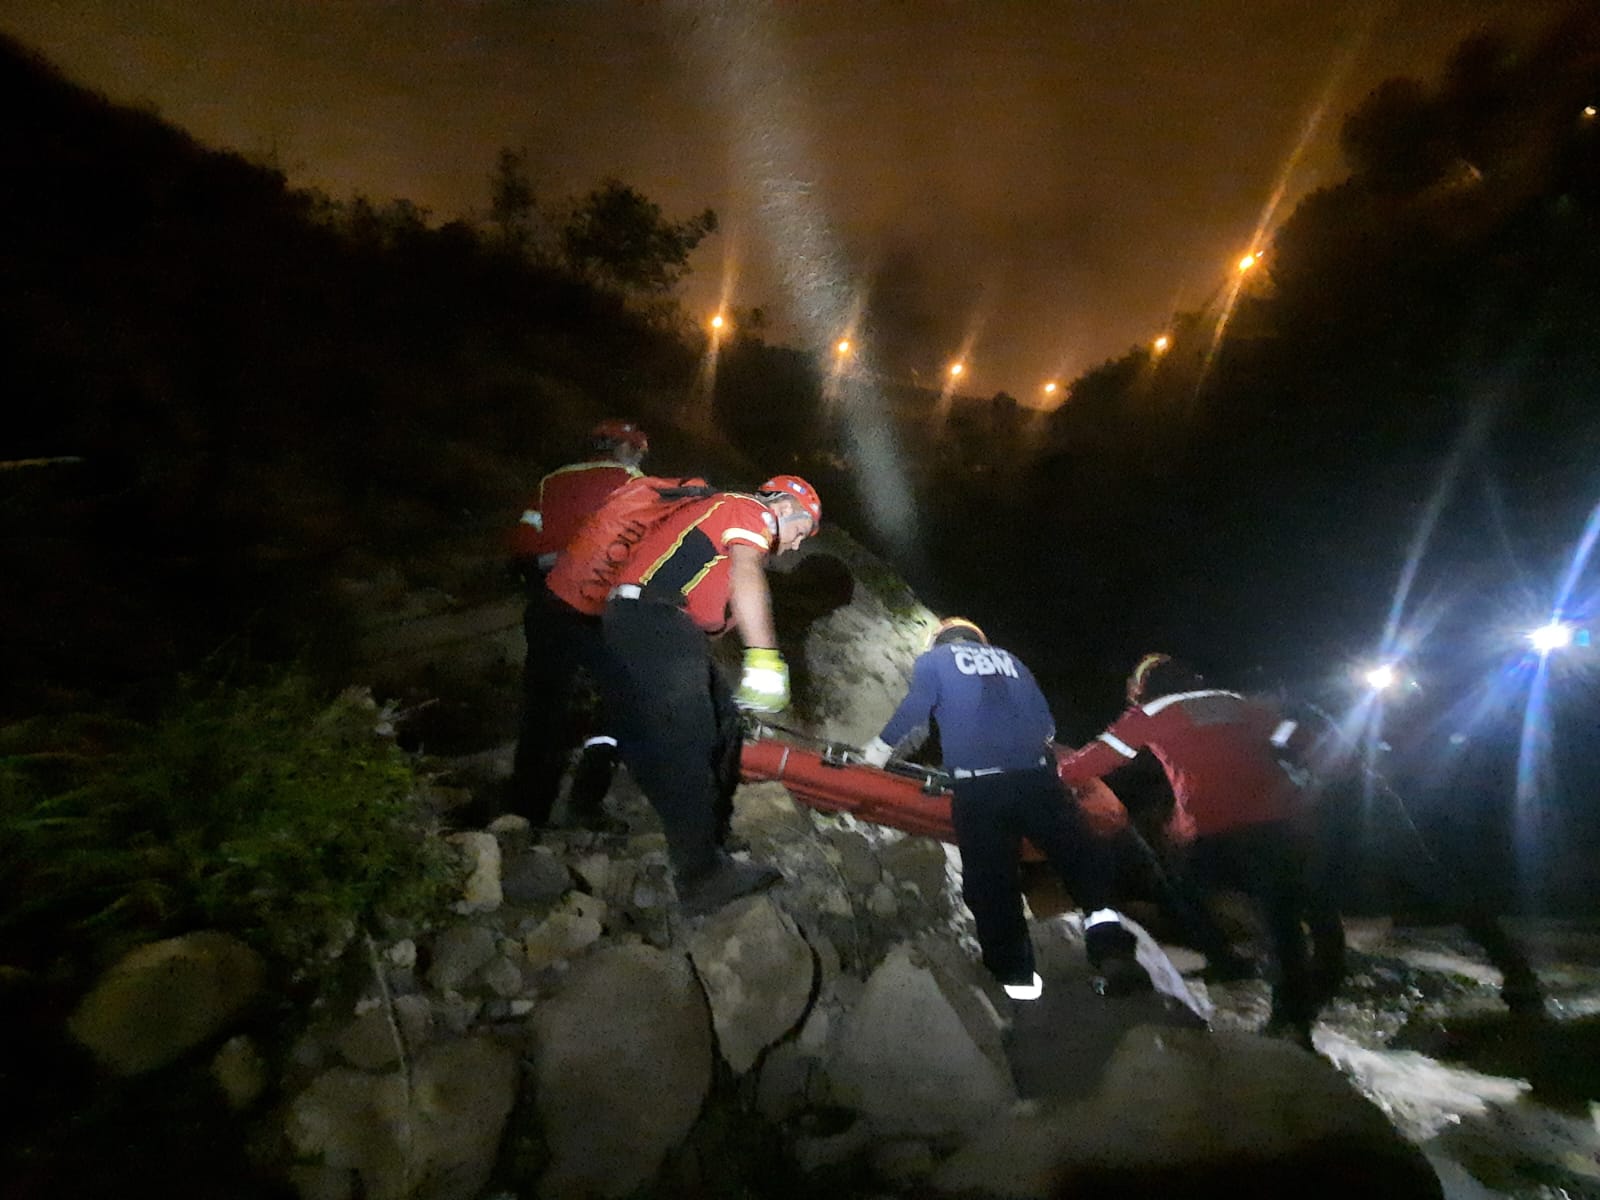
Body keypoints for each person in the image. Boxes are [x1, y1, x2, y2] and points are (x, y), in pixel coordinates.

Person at [1055, 653, 1346, 1048]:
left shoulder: (1152, 714)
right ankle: (1295, 1015)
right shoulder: (1235, 703)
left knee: (1181, 891)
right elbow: (1300, 739)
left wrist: (1051, 773)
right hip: (1276, 821)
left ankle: (1227, 961)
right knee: (1283, 917)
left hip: (1215, 830)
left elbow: (1092, 762)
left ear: (1141, 690)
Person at [861, 618, 1150, 1001]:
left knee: (991, 882)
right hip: (1039, 783)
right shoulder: (1012, 661)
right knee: (1081, 861)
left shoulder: (935, 661)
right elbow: (1046, 726)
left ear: (939, 640)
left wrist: (875, 753)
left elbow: (916, 707)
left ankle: (1018, 982)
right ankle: (1112, 952)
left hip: (981, 789)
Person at [598, 474, 821, 916]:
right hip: (650, 616)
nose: (796, 544)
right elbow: (746, 574)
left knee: (723, 725)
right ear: (784, 508)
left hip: (660, 622)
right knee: (691, 737)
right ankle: (700, 875)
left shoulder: (728, 528)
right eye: (802, 530)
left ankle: (707, 835)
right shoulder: (749, 510)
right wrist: (764, 657)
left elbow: (718, 610)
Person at [507, 419, 648, 827]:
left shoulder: (551, 481)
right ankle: (586, 804)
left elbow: (523, 544)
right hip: (607, 613)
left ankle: (527, 810)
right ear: (628, 450)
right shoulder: (639, 487)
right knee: (615, 707)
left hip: (549, 607)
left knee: (544, 706)